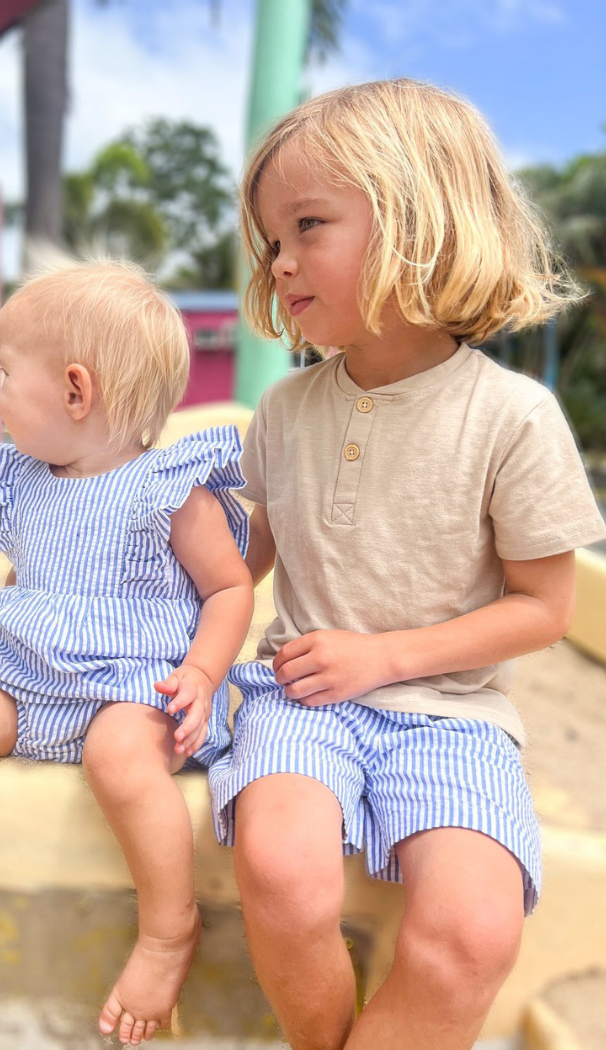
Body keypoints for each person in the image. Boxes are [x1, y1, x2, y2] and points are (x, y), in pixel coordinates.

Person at [209, 79, 606, 1050]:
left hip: (454, 716)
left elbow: (543, 608)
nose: (280, 261)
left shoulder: (512, 418)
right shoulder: (284, 410)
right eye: (272, 240)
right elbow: (242, 559)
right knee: (280, 870)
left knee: (470, 934)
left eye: (307, 225)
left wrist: (385, 658)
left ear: (420, 219)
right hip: (302, 698)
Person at [0, 256, 253, 1047]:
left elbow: (230, 589)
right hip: (25, 679)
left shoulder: (168, 489)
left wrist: (203, 674)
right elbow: (31, 573)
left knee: (119, 758)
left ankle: (167, 932)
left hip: (133, 687)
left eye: (6, 373)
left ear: (74, 391)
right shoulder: (21, 479)